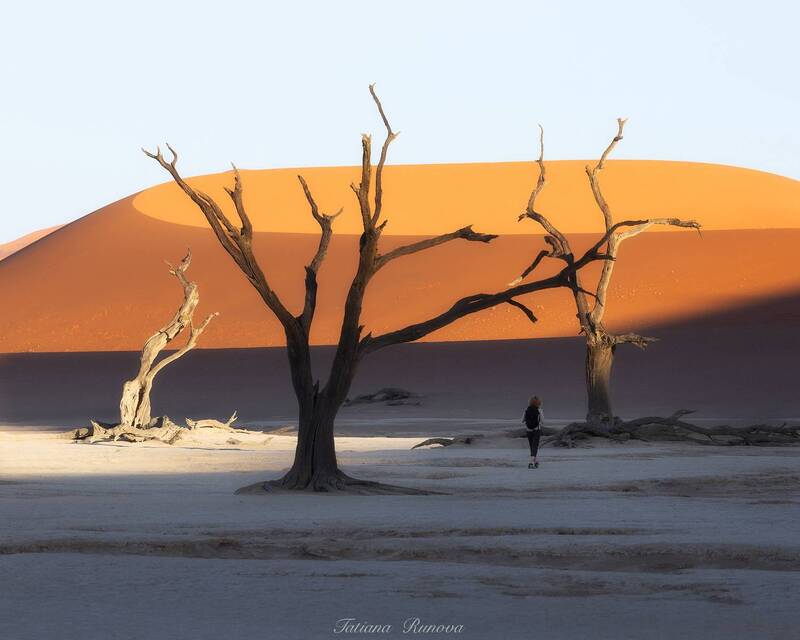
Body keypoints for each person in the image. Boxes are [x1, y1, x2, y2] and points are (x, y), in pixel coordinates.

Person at [523, 396, 543, 469]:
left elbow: (522, 420)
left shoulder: (526, 410)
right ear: (539, 403)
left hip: (528, 430)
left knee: (532, 446)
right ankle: (531, 462)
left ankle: (535, 461)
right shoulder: (539, 410)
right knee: (535, 446)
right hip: (537, 430)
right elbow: (543, 421)